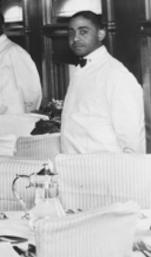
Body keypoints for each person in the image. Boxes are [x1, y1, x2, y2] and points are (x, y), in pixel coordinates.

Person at [61, 11, 145, 154]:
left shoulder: (115, 74)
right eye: (71, 33)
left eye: (83, 32)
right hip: (75, 167)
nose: (75, 38)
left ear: (101, 34)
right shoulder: (81, 69)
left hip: (104, 169)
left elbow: (132, 135)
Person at [0, 10, 42, 115]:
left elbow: (31, 90)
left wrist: (28, 116)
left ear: (2, 27)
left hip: (13, 117)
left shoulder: (14, 51)